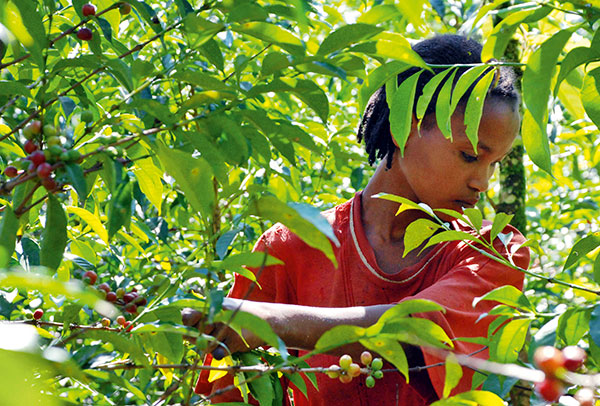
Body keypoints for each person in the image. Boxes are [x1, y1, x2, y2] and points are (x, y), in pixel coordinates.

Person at [184, 34, 530, 405]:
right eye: (469, 155)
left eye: (494, 163)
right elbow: (233, 393)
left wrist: (271, 322)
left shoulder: (495, 252)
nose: (482, 182)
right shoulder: (289, 247)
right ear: (404, 127)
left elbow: (419, 332)